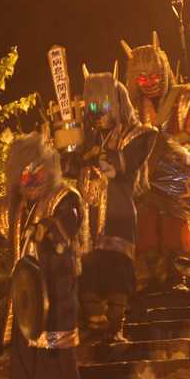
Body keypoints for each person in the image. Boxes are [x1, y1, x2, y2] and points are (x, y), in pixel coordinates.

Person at [121, 32, 190, 289]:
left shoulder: (183, 99)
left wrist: (181, 148)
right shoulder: (130, 109)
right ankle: (149, 277)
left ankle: (178, 276)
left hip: (175, 176)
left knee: (176, 229)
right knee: (146, 229)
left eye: (154, 76)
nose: (150, 82)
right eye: (143, 77)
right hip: (144, 183)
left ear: (164, 72)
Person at [4, 132, 82, 379]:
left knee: (56, 345)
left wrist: (49, 227)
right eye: (23, 174)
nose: (30, 179)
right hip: (26, 292)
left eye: (35, 172)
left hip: (57, 287)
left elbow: (70, 221)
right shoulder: (16, 208)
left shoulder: (64, 197)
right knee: (25, 349)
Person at [75, 67, 157, 340]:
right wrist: (68, 146)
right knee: (87, 266)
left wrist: (96, 155)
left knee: (118, 266)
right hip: (87, 215)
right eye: (93, 106)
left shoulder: (137, 134)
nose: (98, 112)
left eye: (103, 104)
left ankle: (116, 326)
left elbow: (123, 163)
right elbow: (67, 165)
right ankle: (93, 322)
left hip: (118, 213)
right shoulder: (86, 135)